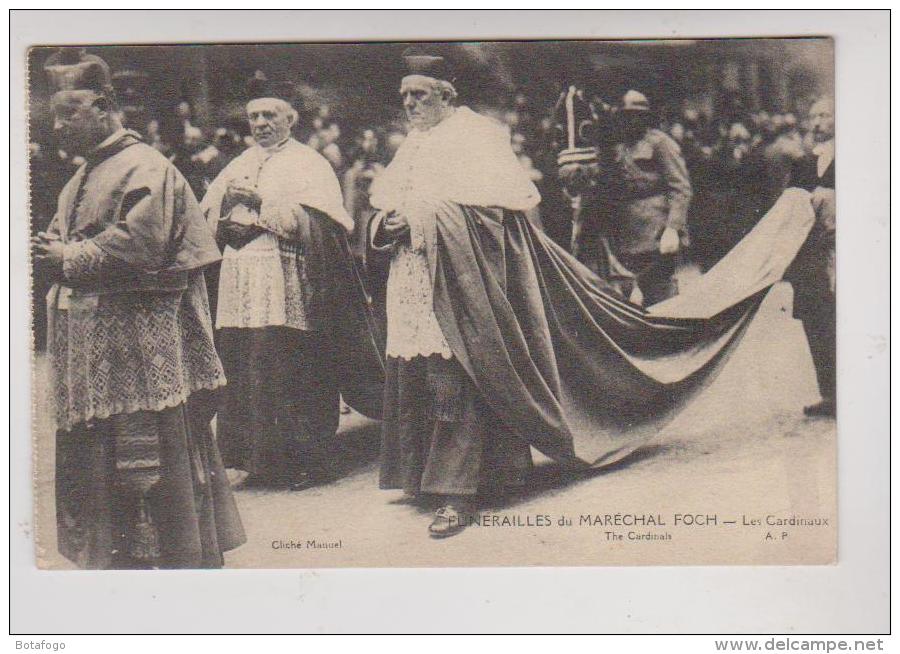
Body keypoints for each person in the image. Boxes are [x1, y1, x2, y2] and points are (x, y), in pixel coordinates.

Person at [33, 48, 245, 569]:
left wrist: (67, 255)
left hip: (138, 349)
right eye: (54, 115)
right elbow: (66, 238)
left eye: (71, 112)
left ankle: (170, 566)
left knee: (149, 461)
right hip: (99, 346)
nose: (59, 126)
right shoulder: (81, 175)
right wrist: (56, 248)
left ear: (104, 106)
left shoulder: (144, 166)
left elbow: (141, 247)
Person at [369, 48, 541, 538]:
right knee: (418, 373)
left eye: (419, 95)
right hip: (412, 273)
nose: (409, 105)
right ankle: (426, 476)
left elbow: (492, 215)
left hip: (460, 279)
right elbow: (385, 204)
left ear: (447, 95)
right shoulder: (413, 144)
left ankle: (457, 493)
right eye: (404, 96)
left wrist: (419, 219)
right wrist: (388, 222)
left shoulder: (478, 138)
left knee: (453, 377)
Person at [201, 73, 383, 490]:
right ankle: (251, 458)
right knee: (243, 365)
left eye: (270, 115)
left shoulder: (309, 163)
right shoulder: (239, 163)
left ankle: (308, 460)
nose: (261, 123)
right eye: (254, 116)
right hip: (242, 282)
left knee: (292, 366)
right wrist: (225, 214)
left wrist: (260, 202)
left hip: (287, 282)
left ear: (291, 119)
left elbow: (320, 224)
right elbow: (205, 217)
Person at [598, 90, 693, 306]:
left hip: (656, 233)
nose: (630, 120)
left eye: (636, 115)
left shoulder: (660, 143)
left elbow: (680, 188)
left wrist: (673, 228)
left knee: (660, 294)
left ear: (645, 116)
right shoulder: (618, 148)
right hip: (627, 233)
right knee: (626, 293)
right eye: (625, 115)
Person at [786, 96, 836, 417]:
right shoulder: (804, 162)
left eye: (825, 115)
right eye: (813, 116)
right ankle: (830, 393)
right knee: (815, 320)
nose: (817, 122)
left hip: (844, 249)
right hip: (812, 256)